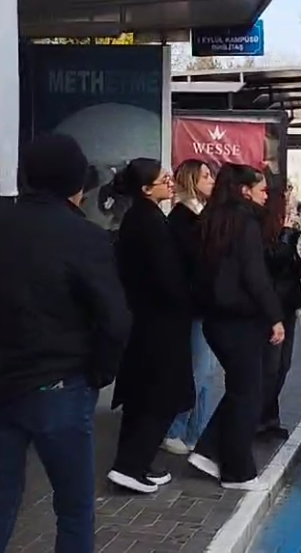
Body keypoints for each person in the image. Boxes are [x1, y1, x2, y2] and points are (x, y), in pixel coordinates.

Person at [0, 134, 131, 552]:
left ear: (25, 179)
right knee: (74, 510)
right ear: (77, 185)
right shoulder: (85, 238)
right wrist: (97, 374)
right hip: (60, 388)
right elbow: (114, 319)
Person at [188, 164, 285, 490]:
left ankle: (208, 450)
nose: (265, 194)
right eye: (260, 188)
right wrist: (275, 316)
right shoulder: (246, 223)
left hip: (214, 320)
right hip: (242, 321)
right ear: (244, 191)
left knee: (241, 390)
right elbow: (255, 276)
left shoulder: (209, 221)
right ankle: (237, 471)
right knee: (249, 394)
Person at [107, 159, 195, 494]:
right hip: (159, 323)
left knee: (142, 396)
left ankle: (137, 463)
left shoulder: (142, 217)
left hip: (148, 320)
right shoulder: (148, 222)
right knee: (162, 396)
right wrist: (188, 296)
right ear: (146, 189)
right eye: (165, 180)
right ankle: (130, 464)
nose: (171, 184)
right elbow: (166, 276)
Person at [161, 159, 217, 456]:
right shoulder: (184, 218)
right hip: (192, 307)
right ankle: (177, 428)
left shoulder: (202, 215)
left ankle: (196, 430)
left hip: (202, 307)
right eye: (206, 176)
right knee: (199, 372)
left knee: (205, 373)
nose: (212, 180)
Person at [258, 174, 301, 440]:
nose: (293, 205)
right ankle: (259, 418)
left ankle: (269, 416)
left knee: (282, 365)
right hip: (272, 307)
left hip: (287, 304)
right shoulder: (266, 232)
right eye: (288, 200)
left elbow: (289, 263)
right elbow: (274, 262)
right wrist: (288, 234)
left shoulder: (286, 231)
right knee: (271, 366)